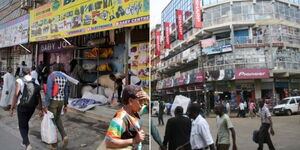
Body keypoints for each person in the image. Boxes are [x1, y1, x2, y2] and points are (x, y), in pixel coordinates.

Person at [104, 85, 149, 149]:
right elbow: (109, 142)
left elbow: (149, 109)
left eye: (144, 101)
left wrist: (148, 98)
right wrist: (134, 140)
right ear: (130, 101)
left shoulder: (135, 112)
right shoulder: (120, 119)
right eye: (140, 101)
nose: (142, 104)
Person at [9, 68, 43, 150]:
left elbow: (16, 95)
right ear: (30, 73)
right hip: (32, 107)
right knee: (25, 123)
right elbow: (39, 96)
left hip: (22, 106)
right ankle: (24, 141)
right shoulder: (35, 81)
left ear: (22, 73)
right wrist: (40, 108)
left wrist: (11, 108)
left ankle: (27, 144)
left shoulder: (19, 81)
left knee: (21, 126)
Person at [44, 63, 69, 150]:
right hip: (61, 101)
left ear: (53, 68)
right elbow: (66, 92)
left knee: (51, 122)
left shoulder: (51, 76)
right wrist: (66, 104)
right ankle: (64, 136)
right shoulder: (64, 77)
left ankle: (54, 145)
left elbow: (49, 91)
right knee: (57, 118)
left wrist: (46, 104)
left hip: (53, 101)